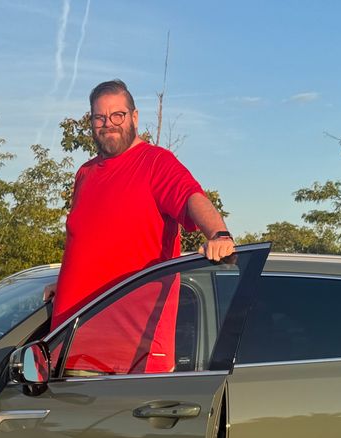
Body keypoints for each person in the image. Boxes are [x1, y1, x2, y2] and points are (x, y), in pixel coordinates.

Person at [51, 79, 235, 373]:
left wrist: (218, 234)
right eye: (100, 117)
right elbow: (88, 242)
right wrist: (64, 284)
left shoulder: (155, 163)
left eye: (117, 115)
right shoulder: (85, 174)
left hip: (128, 361)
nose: (108, 124)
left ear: (134, 117)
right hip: (69, 350)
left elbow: (192, 197)